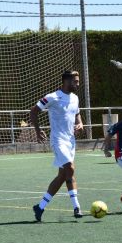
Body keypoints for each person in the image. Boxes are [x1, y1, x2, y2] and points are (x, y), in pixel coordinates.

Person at [31, 70, 84, 221]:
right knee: (70, 168)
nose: (77, 84)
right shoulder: (52, 97)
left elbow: (77, 114)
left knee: (63, 175)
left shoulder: (75, 98)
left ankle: (40, 207)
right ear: (66, 81)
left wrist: (80, 123)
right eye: (75, 81)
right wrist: (38, 130)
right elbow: (34, 111)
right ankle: (77, 207)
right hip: (58, 140)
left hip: (70, 141)